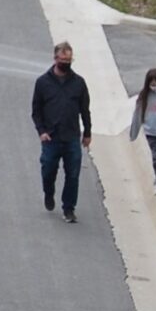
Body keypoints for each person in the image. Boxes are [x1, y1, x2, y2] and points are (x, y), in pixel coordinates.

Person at [32, 42, 92, 222]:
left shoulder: (79, 83)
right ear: (55, 58)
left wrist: (87, 132)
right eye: (63, 59)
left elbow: (85, 110)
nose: (66, 62)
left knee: (73, 174)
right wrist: (41, 131)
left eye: (69, 59)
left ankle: (69, 208)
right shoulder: (43, 82)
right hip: (51, 137)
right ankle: (49, 193)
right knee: (48, 169)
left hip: (71, 137)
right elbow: (36, 111)